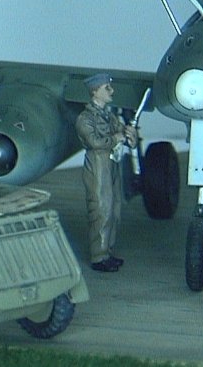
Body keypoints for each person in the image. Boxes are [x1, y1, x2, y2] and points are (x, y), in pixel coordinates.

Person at [75, 73, 137, 272]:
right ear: (95, 91)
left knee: (114, 210)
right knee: (101, 210)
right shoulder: (85, 118)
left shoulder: (109, 116)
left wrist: (130, 135)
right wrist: (117, 138)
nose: (112, 91)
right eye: (107, 88)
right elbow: (94, 142)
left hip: (112, 164)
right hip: (98, 165)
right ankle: (98, 256)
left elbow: (123, 134)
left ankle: (107, 251)